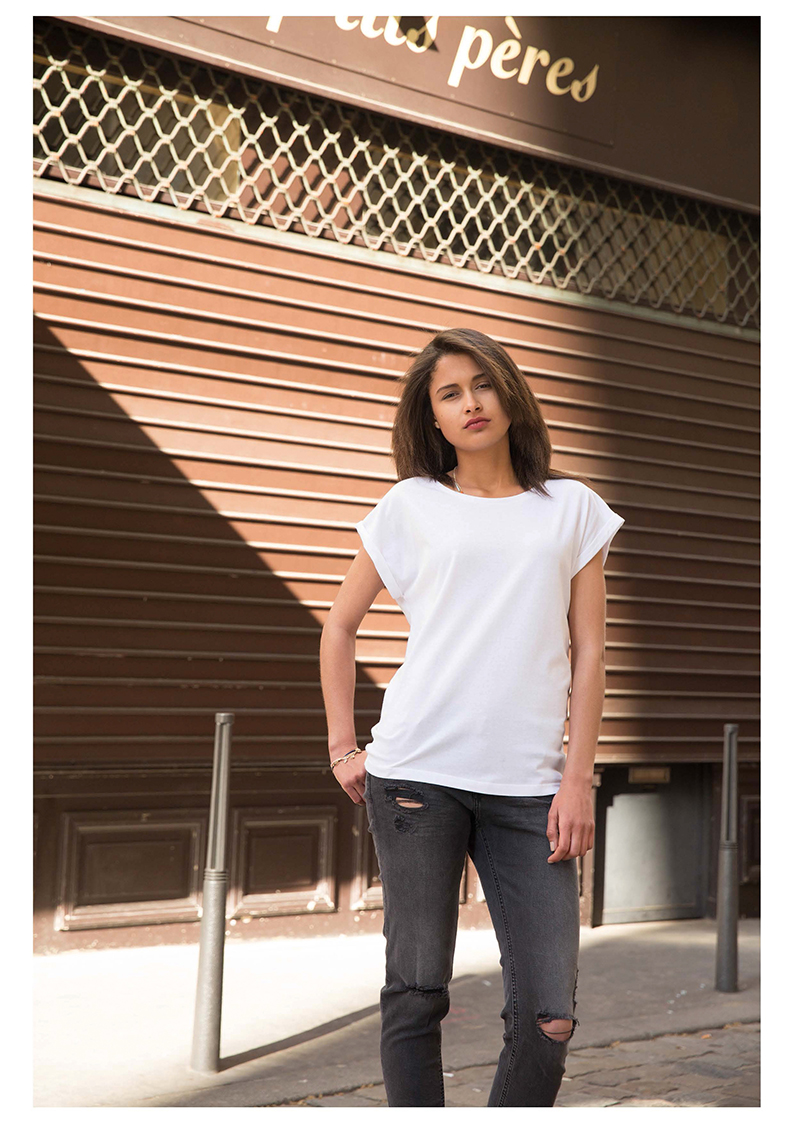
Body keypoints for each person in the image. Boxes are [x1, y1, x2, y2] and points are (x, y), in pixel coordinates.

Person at [319, 327, 625, 1107]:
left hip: (530, 788)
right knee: (418, 989)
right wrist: (344, 745)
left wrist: (578, 778)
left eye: (482, 383)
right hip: (416, 773)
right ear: (433, 417)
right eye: (449, 393)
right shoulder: (411, 505)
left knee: (550, 1014)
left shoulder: (572, 508)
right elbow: (340, 625)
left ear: (510, 393)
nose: (471, 403)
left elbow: (591, 651)